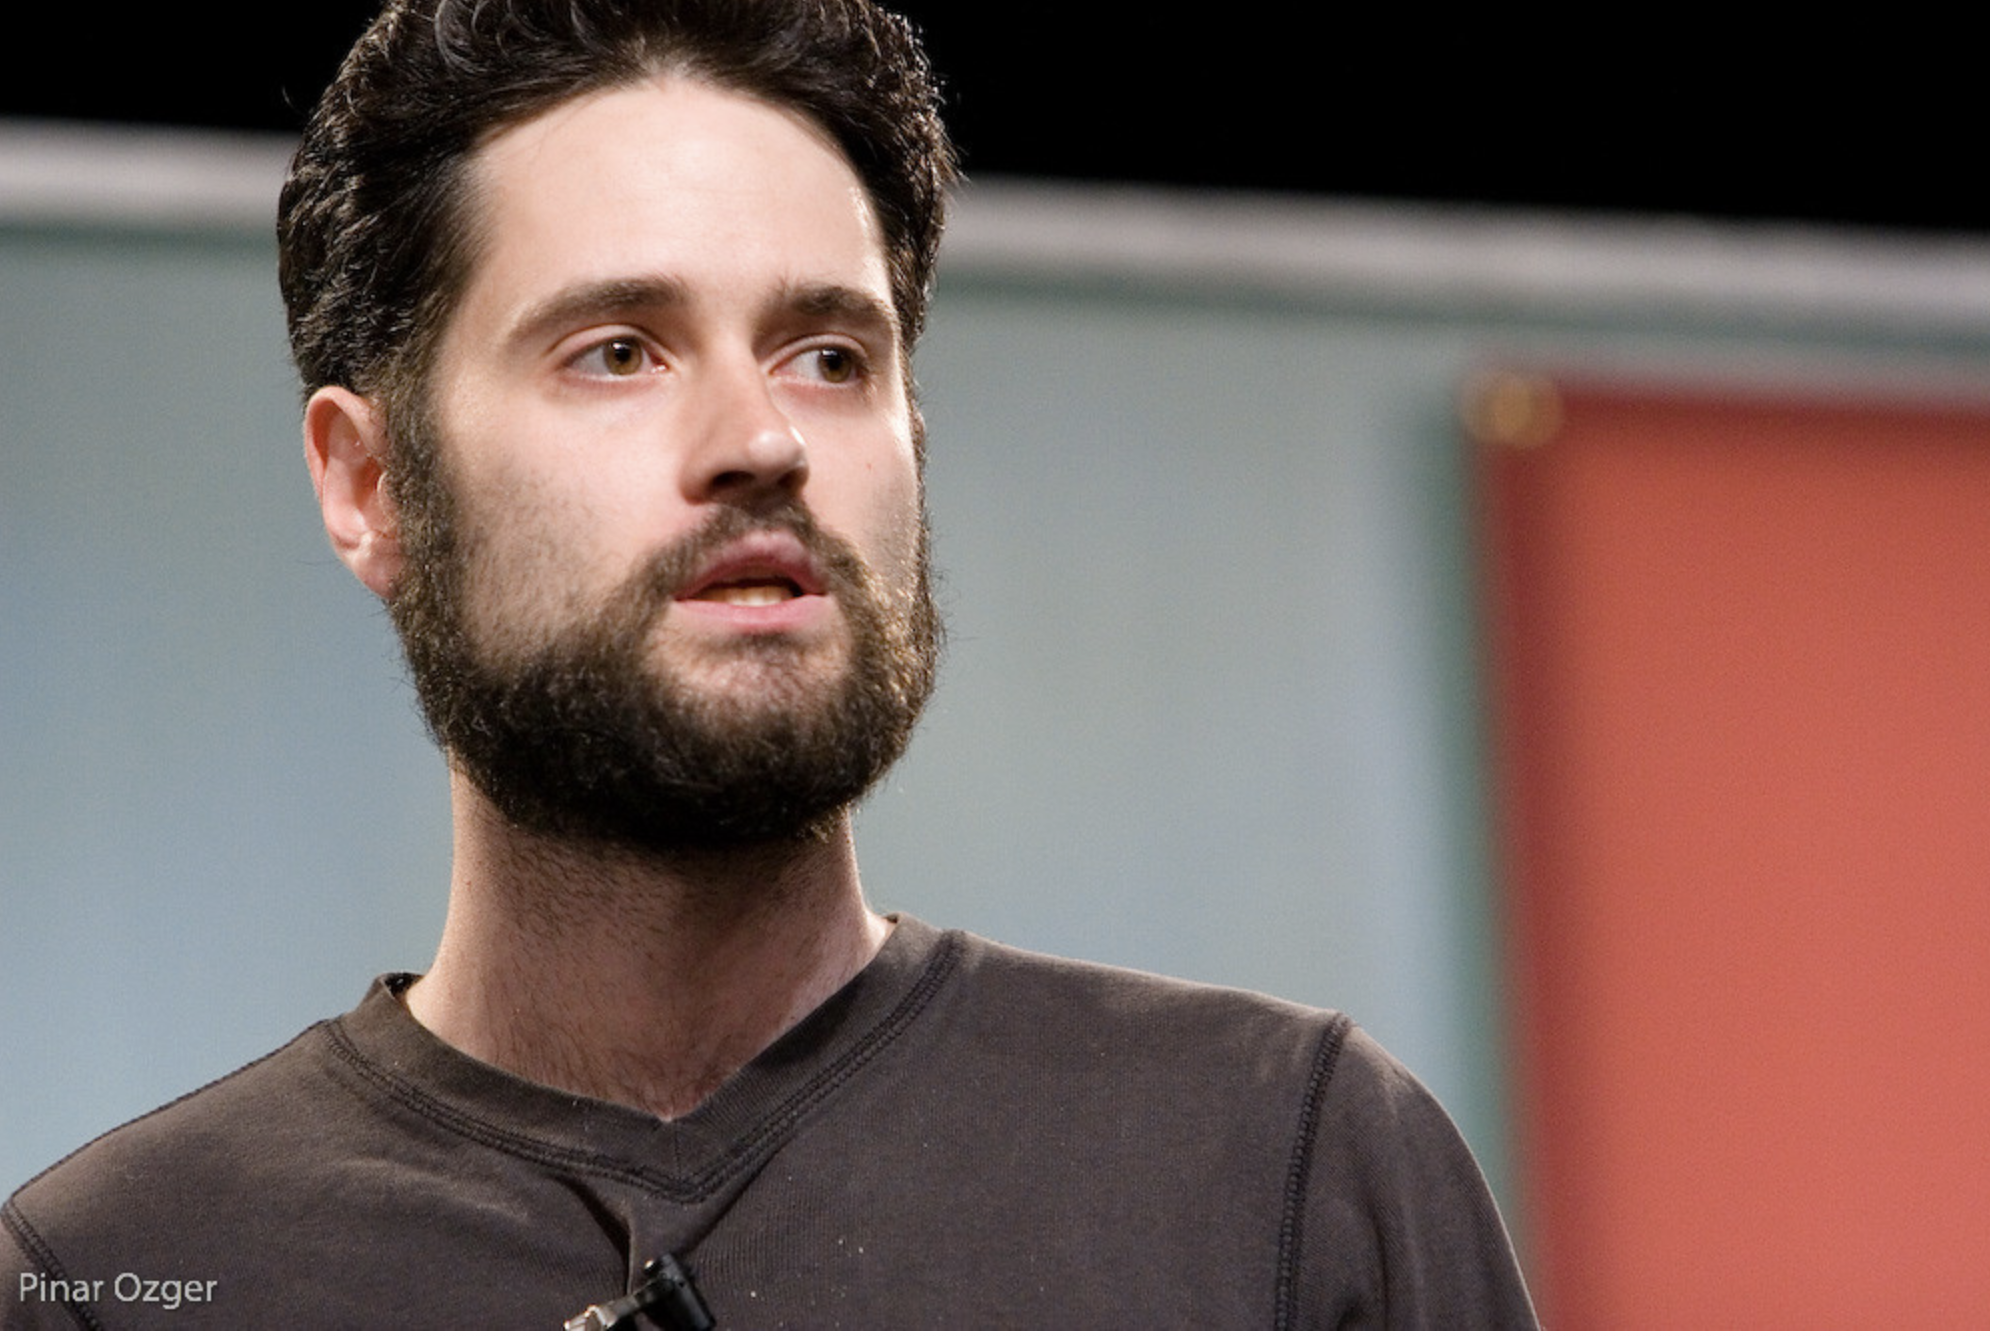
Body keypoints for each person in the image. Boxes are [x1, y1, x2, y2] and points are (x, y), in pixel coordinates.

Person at [1, 0, 1536, 1327]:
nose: (761, 442)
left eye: (830, 355)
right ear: (369, 485)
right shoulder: (118, 1277)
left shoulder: (1279, 1179)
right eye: (618, 349)